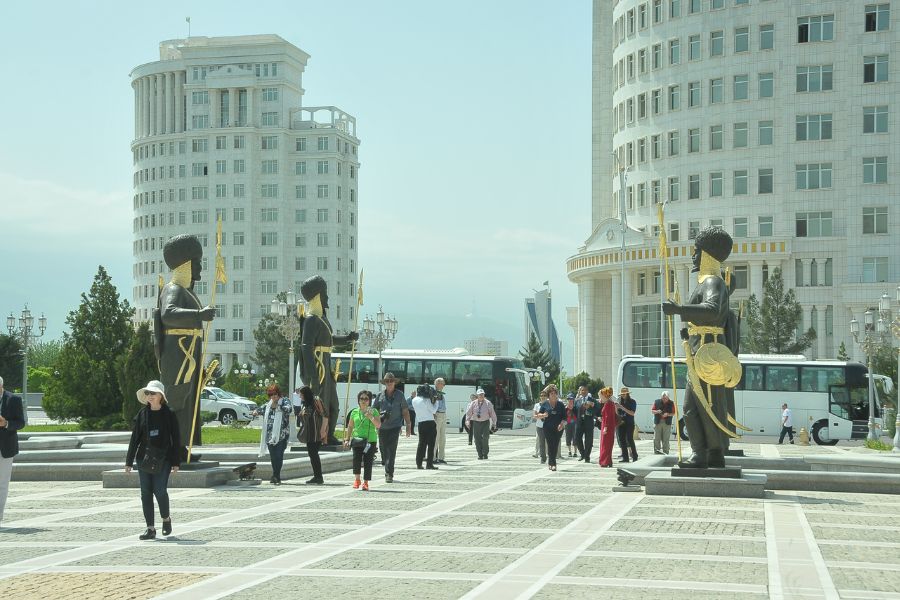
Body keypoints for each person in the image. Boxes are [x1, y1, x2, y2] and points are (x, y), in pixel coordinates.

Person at [663, 226, 741, 468]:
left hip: (708, 354)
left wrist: (679, 310)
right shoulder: (707, 282)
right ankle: (714, 453)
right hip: (701, 351)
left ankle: (700, 453)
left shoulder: (713, 282)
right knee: (704, 405)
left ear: (707, 254)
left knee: (695, 407)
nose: (693, 256)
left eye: (696, 251)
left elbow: (713, 310)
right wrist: (690, 331)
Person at [154, 234, 216, 462]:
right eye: (197, 262)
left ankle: (182, 448)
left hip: (189, 354)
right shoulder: (173, 289)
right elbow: (168, 314)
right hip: (178, 355)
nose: (200, 267)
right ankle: (172, 449)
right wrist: (198, 315)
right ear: (186, 264)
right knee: (177, 401)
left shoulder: (188, 292)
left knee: (188, 403)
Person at [299, 275, 359, 445]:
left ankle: (329, 435)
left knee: (334, 404)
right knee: (320, 405)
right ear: (318, 295)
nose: (328, 297)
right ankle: (317, 436)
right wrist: (313, 378)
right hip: (318, 366)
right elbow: (306, 347)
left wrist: (347, 338)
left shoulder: (321, 319)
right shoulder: (310, 319)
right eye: (325, 293)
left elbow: (329, 340)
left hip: (327, 363)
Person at [125, 380, 181, 540]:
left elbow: (176, 439)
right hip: (144, 458)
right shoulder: (143, 414)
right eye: (147, 393)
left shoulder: (169, 414)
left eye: (153, 393)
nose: (149, 396)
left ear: (161, 396)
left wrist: (176, 462)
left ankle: (166, 518)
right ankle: (150, 528)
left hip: (163, 459)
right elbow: (134, 438)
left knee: (160, 490)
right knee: (145, 493)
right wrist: (129, 461)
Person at [373, 372, 411, 483]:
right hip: (382, 427)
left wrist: (408, 424)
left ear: (394, 382)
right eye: (387, 381)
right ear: (385, 383)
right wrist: (375, 420)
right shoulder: (380, 395)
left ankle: (389, 474)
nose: (389, 383)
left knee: (391, 450)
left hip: (395, 426)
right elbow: (374, 410)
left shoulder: (400, 395)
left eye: (391, 381)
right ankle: (386, 462)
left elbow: (405, 410)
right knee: (383, 450)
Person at [253, 385, 292, 485]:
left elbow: (289, 409)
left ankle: (276, 476)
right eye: (271, 395)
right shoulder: (268, 405)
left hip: (282, 434)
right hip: (270, 435)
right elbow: (260, 409)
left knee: (279, 455)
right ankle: (275, 476)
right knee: (273, 456)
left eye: (275, 394)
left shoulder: (285, 401)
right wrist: (256, 412)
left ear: (278, 394)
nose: (273, 397)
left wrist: (279, 407)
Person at [343, 390, 381, 490]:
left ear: (369, 401)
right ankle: (357, 479)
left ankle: (366, 482)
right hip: (357, 440)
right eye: (361, 398)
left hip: (370, 440)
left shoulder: (373, 411)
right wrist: (347, 439)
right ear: (358, 400)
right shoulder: (354, 412)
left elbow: (378, 425)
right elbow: (350, 426)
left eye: (366, 399)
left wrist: (371, 417)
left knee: (368, 461)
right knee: (356, 460)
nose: (363, 401)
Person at [0, 376, 25, 527]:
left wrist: (6, 423)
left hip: (5, 447)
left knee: (2, 483)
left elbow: (21, 422)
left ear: (1, 386)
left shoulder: (13, 400)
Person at [297, 386, 328, 484]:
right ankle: (317, 476)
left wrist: (323, 431)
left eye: (301, 394)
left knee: (314, 455)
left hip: (316, 433)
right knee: (312, 455)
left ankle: (319, 477)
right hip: (309, 434)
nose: (300, 396)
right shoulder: (305, 403)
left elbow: (325, 416)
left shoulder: (316, 400)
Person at [537, 385, 566, 472]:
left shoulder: (560, 405)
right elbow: (538, 415)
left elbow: (565, 418)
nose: (553, 395)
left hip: (558, 429)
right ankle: (552, 464)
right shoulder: (545, 404)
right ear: (549, 395)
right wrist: (543, 415)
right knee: (550, 445)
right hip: (547, 428)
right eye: (551, 393)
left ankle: (551, 462)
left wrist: (562, 424)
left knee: (555, 445)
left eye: (555, 393)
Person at [412, 384, 440, 469]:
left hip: (421, 423)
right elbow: (434, 410)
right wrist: (436, 402)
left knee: (421, 444)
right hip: (430, 423)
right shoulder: (426, 400)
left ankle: (419, 463)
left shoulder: (414, 400)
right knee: (431, 445)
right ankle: (429, 464)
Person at [465, 388, 497, 460]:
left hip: (485, 422)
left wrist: (494, 423)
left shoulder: (488, 403)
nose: (481, 396)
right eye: (480, 395)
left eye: (482, 394)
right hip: (476, 423)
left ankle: (485, 453)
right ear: (477, 396)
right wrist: (467, 421)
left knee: (485, 438)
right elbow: (469, 413)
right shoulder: (473, 403)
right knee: (477, 439)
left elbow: (492, 413)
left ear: (484, 395)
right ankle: (480, 454)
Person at [574, 385, 598, 462]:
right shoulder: (577, 401)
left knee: (589, 440)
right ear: (580, 392)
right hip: (579, 422)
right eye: (582, 390)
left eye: (585, 390)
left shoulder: (592, 400)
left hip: (589, 422)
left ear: (587, 391)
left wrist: (591, 407)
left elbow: (597, 409)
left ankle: (587, 457)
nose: (583, 392)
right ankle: (582, 454)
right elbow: (575, 410)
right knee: (577, 438)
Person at [616, 387, 638, 463]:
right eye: (622, 394)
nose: (623, 396)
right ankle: (625, 457)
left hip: (629, 423)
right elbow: (617, 414)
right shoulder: (619, 401)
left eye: (624, 394)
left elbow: (632, 413)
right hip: (621, 423)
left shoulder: (632, 402)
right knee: (622, 440)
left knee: (630, 439)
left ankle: (635, 456)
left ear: (628, 394)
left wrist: (622, 407)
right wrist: (616, 407)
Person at [597, 387, 616, 467]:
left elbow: (608, 417)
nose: (600, 398)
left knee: (605, 444)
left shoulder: (608, 404)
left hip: (607, 427)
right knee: (608, 444)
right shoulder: (610, 403)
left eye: (600, 396)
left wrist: (605, 427)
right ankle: (608, 461)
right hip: (609, 426)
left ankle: (604, 461)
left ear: (605, 396)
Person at [433, 378, 448, 464]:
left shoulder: (441, 394)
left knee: (442, 438)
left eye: (443, 383)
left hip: (443, 415)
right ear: (437, 384)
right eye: (442, 383)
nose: (443, 385)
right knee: (436, 437)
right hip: (437, 415)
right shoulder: (434, 393)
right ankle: (433, 458)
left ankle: (441, 457)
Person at [532, 390, 547, 463]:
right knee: (541, 442)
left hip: (548, 426)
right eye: (541, 396)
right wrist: (541, 416)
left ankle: (550, 456)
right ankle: (543, 458)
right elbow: (534, 416)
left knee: (549, 442)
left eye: (544, 395)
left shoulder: (549, 404)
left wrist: (541, 415)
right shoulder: (537, 405)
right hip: (539, 426)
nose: (543, 397)